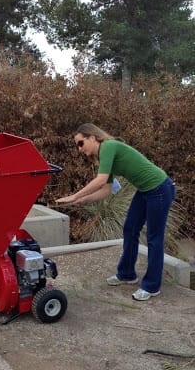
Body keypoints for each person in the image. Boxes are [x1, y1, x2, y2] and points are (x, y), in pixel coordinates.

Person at [56, 123, 176, 301]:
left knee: (154, 237)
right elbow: (106, 190)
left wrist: (74, 196)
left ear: (92, 137)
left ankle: (152, 286)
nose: (79, 149)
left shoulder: (108, 147)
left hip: (159, 189)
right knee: (130, 229)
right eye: (77, 146)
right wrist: (82, 200)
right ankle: (127, 274)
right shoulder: (105, 156)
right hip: (145, 190)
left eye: (80, 143)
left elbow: (100, 180)